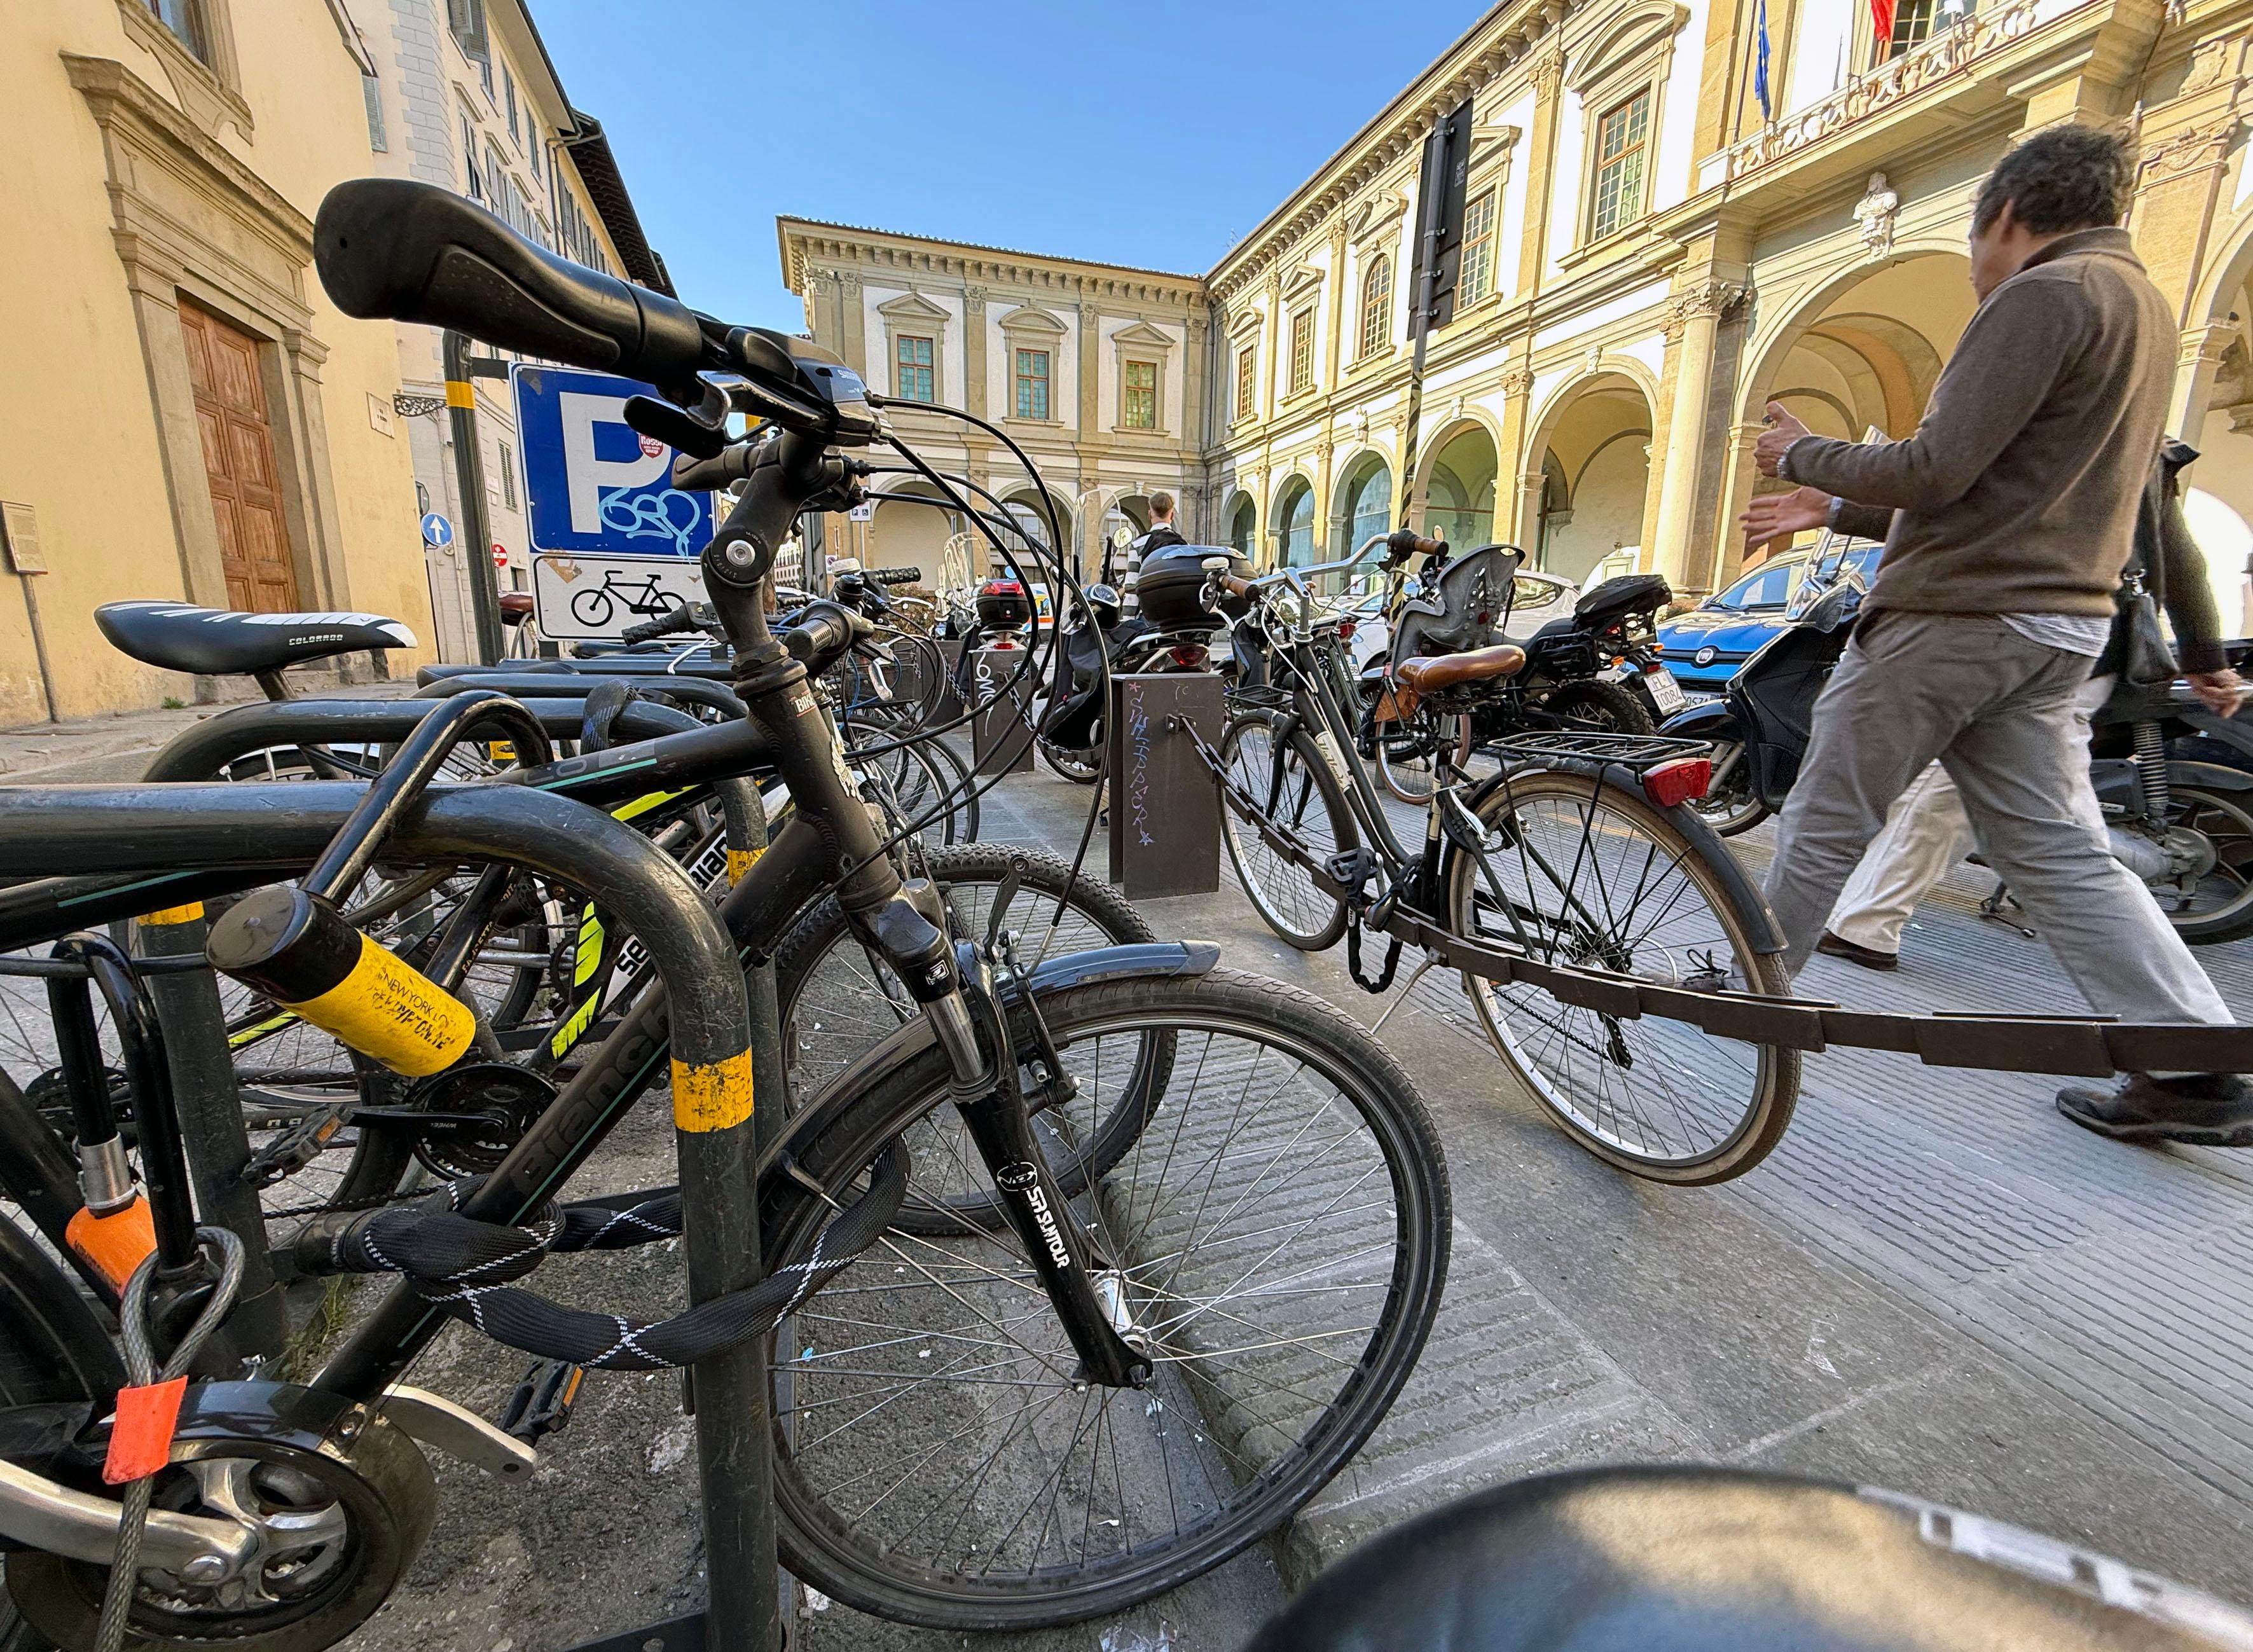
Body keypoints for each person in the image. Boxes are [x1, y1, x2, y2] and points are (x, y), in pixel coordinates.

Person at [1747, 123, 2252, 1146]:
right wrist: (1831, 510)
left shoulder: (2042, 295)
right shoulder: (2143, 310)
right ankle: (2191, 1060)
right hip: (2054, 629)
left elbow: (1934, 470)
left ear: (2008, 217)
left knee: (1828, 805)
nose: (1976, 269)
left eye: (1977, 242)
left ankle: (1742, 988)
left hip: (1952, 620)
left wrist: (1804, 451)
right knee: (2058, 852)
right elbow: (2031, 496)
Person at [1744, 441, 2243, 970]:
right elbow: (2176, 553)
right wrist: (2203, 652)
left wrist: (1834, 501)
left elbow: (1963, 503)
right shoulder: (2134, 429)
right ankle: (1855, 929)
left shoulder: (2057, 406)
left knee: (2012, 831)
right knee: (2035, 833)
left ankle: (1800, 961)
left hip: (1995, 632)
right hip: (2078, 648)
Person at [1113, 492, 1185, 618]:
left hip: (1149, 617)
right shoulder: (1184, 546)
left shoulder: (1138, 545)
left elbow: (1131, 587)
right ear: (1172, 515)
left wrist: (1128, 621)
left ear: (1150, 514)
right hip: (1176, 617)